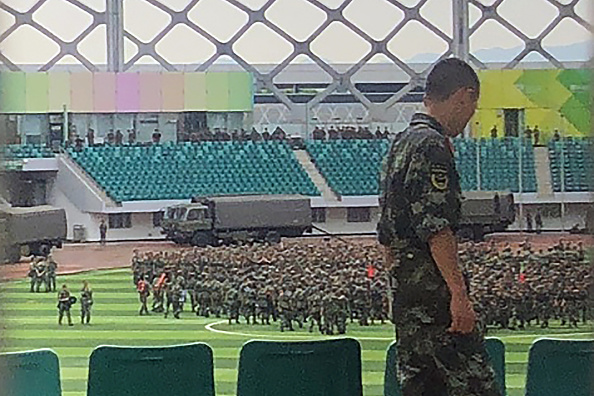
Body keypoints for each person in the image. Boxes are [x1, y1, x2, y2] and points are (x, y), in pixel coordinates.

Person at [377, 58, 500, 395]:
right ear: (463, 95)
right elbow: (437, 229)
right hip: (435, 302)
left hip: (408, 302)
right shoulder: (432, 146)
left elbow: (387, 234)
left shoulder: (399, 145)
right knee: (476, 387)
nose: (471, 113)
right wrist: (459, 296)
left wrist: (394, 292)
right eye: (473, 104)